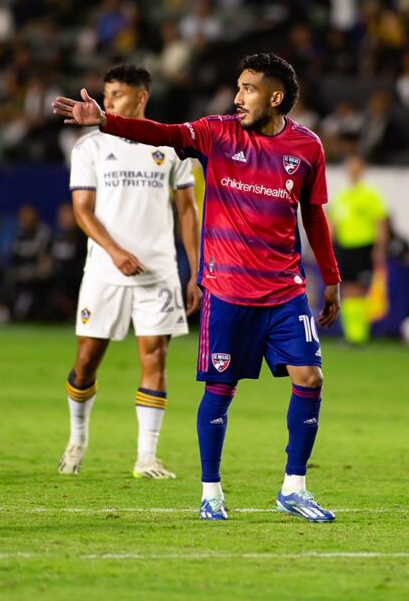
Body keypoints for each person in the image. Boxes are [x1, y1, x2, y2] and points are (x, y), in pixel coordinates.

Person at [53, 53, 342, 523]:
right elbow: (162, 134)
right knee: (221, 389)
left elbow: (313, 214)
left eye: (247, 88)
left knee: (310, 378)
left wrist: (330, 277)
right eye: (237, 87)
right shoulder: (216, 132)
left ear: (275, 96)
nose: (237, 97)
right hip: (228, 289)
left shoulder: (307, 147)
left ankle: (295, 486)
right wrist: (106, 122)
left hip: (286, 290)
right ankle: (211, 492)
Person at [58, 64, 201, 480]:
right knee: (86, 362)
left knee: (155, 358)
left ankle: (146, 458)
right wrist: (116, 251)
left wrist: (194, 269)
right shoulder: (90, 149)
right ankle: (78, 438)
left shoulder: (171, 147)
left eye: (117, 95)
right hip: (105, 271)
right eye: (106, 95)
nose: (107, 103)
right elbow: (82, 213)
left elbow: (187, 211)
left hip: (158, 272)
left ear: (141, 97)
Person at [328, 154, 388, 345]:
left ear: (363, 169)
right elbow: (333, 224)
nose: (353, 171)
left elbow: (380, 222)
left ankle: (358, 335)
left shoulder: (370, 195)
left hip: (363, 247)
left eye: (357, 167)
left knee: (358, 290)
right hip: (344, 247)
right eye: (350, 167)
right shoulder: (341, 196)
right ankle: (353, 335)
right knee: (346, 290)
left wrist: (379, 247)